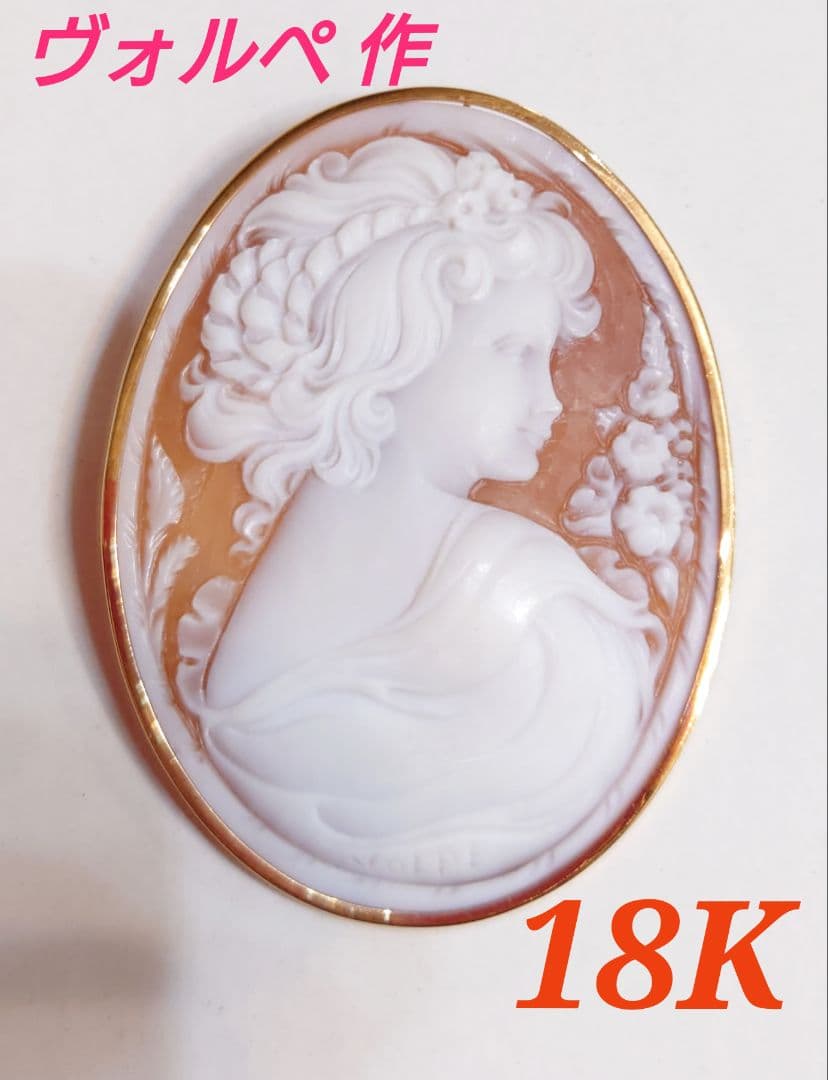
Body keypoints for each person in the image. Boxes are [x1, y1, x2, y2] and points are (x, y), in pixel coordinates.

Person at [176, 135, 665, 889]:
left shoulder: (552, 617)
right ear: (392, 349)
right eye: (513, 352)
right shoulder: (559, 630)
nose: (550, 400)